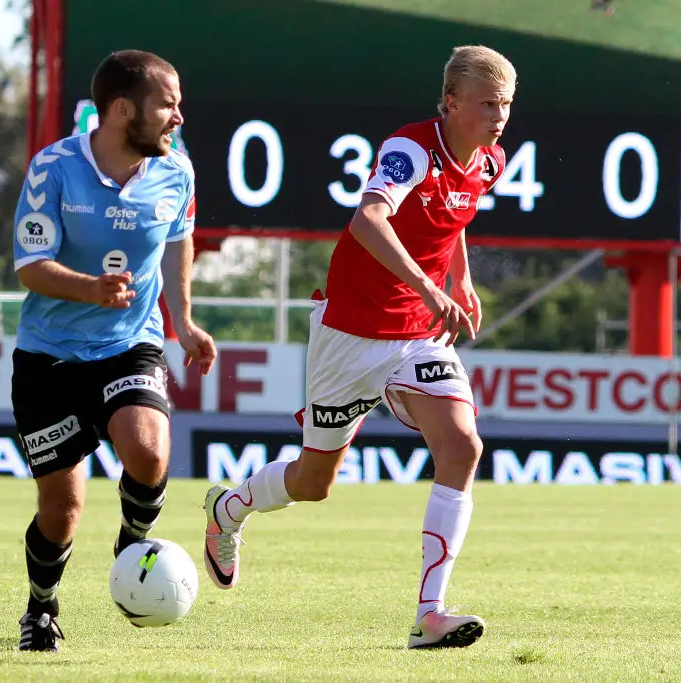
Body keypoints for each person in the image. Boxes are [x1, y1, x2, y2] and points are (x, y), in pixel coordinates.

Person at [203, 44, 515, 649]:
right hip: (348, 334)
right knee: (314, 481)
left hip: (417, 336)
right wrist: (430, 286)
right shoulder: (410, 150)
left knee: (462, 445)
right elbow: (368, 219)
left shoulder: (489, 162)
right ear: (451, 102)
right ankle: (229, 509)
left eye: (505, 105)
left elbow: (451, 222)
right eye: (487, 104)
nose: (499, 117)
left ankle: (430, 614)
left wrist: (460, 279)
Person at [10, 49, 217, 652]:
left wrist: (184, 322)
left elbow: (178, 244)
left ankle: (132, 545)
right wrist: (90, 289)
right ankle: (41, 607)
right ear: (124, 109)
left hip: (130, 343)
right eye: (167, 104)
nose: (178, 116)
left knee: (149, 453)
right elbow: (29, 265)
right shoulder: (53, 168)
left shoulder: (177, 172)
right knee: (61, 508)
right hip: (48, 356)